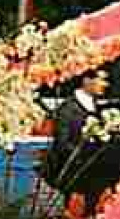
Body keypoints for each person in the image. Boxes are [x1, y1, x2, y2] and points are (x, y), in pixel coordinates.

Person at [40, 66, 111, 201]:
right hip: (70, 176)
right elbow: (62, 143)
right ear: (86, 81)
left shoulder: (99, 108)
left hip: (91, 176)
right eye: (102, 80)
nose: (105, 85)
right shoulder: (68, 109)